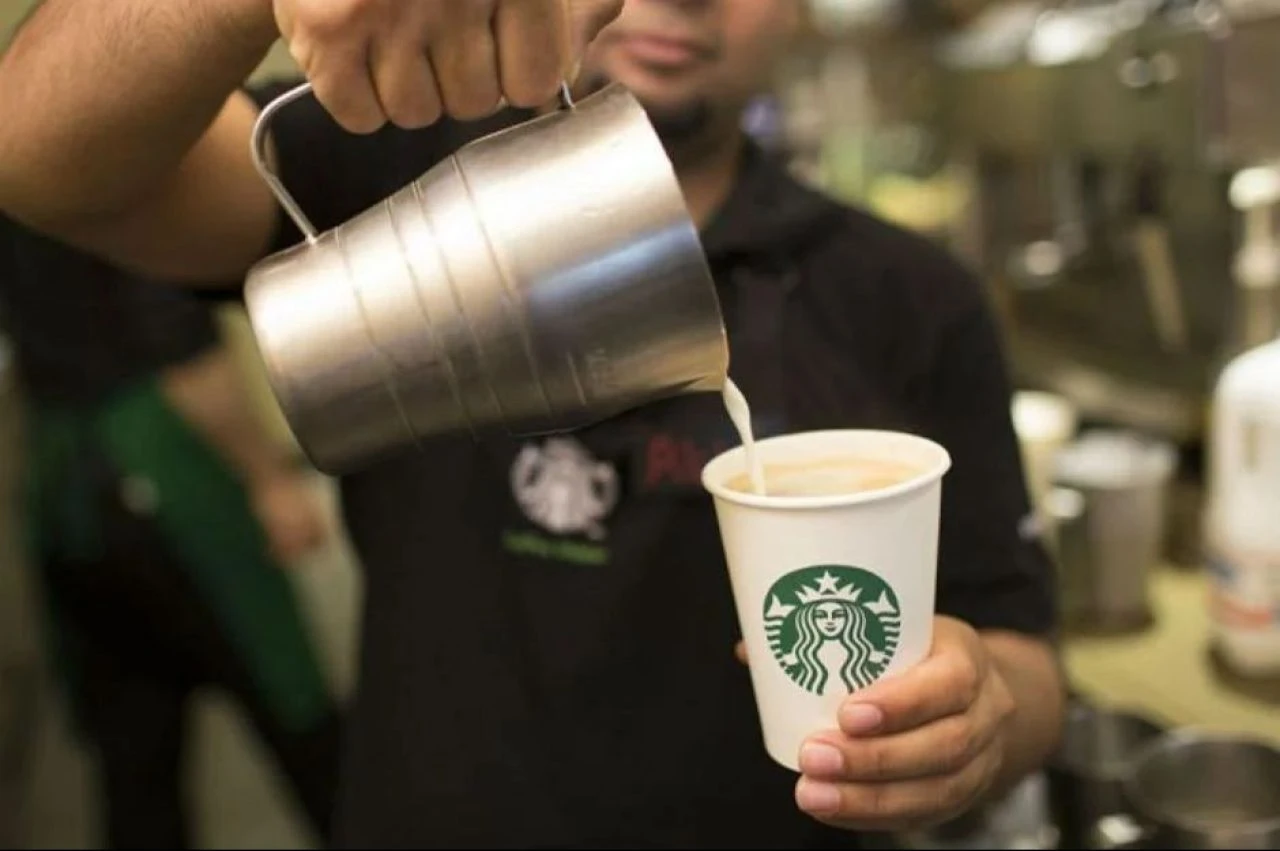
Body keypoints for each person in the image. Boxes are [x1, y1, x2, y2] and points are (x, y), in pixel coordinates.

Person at [0, 1, 1067, 847]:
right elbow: (30, 153)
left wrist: (979, 717)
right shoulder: (391, 148)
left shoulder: (907, 291)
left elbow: (1021, 656)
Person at [0, 215, 345, 849]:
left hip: (65, 492)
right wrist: (269, 479)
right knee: (303, 728)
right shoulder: (99, 162)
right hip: (165, 470)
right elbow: (180, 352)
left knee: (137, 768)